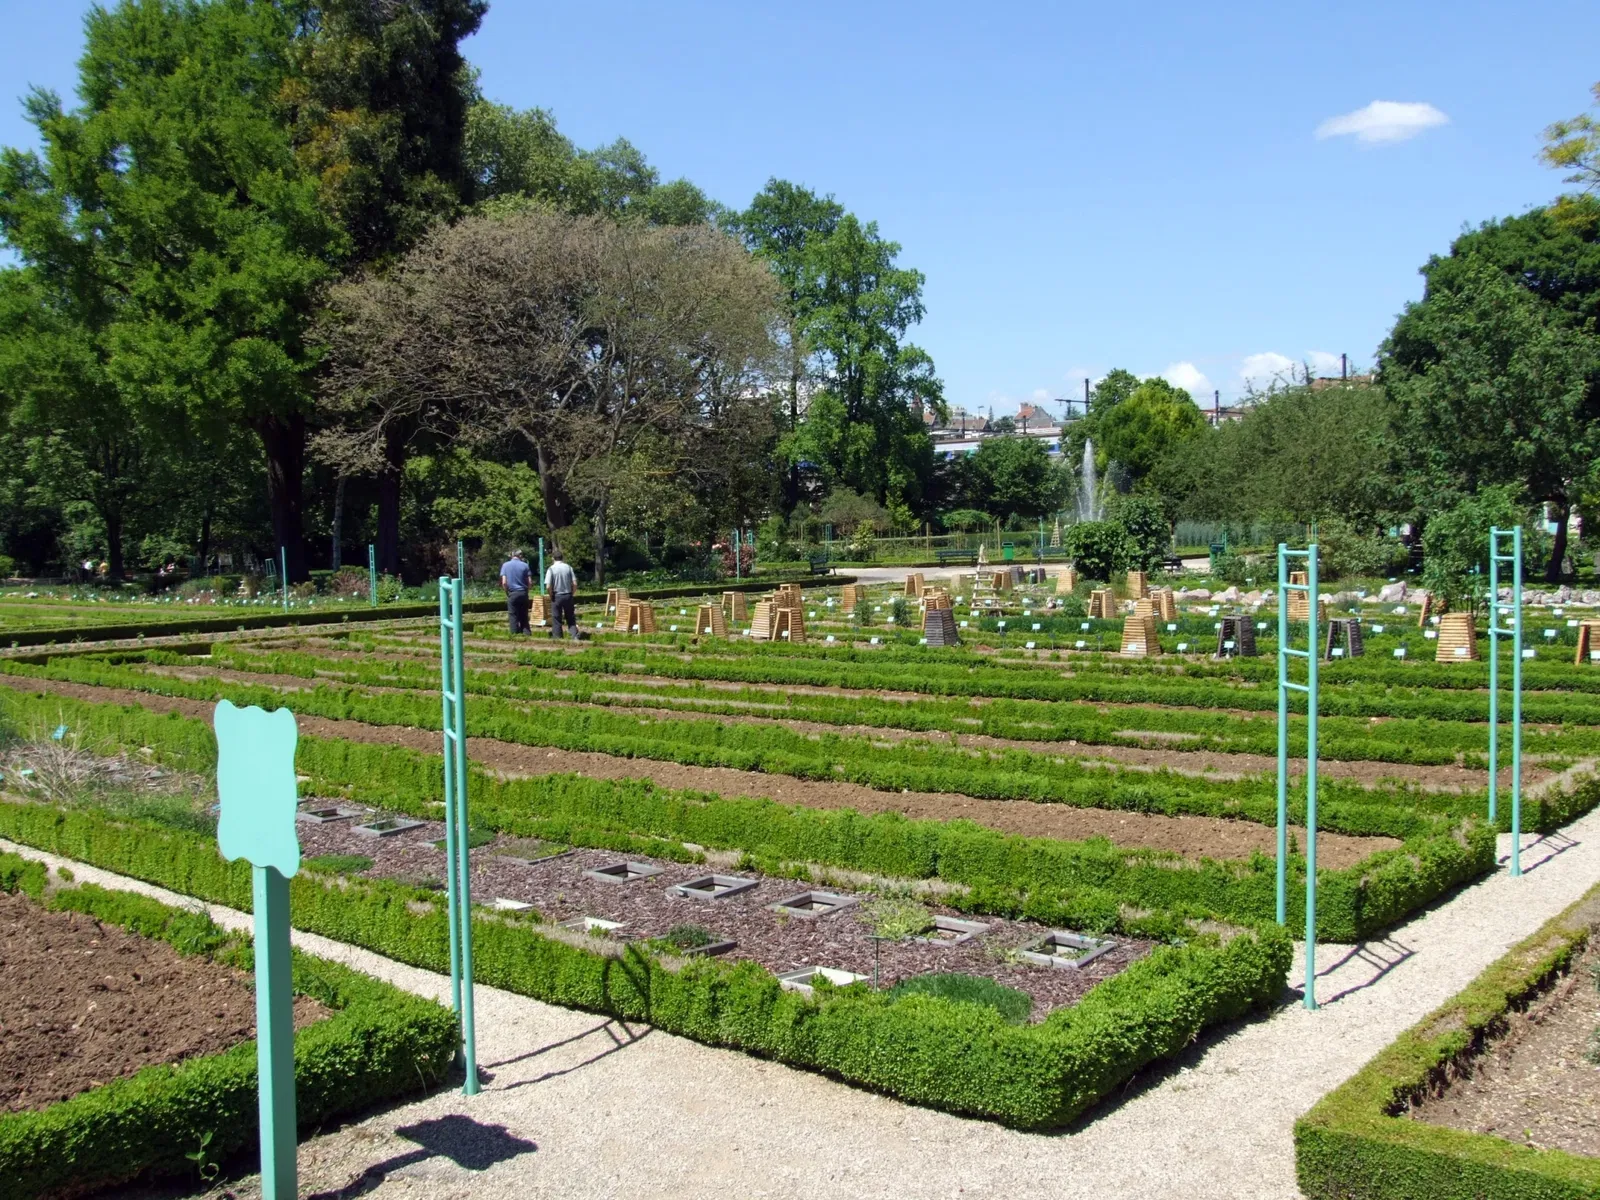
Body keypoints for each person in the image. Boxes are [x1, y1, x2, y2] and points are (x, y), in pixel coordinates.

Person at [544, 549, 579, 640]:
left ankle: (558, 637)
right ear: (562, 558)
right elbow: (575, 584)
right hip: (568, 595)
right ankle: (574, 636)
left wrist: (551, 595)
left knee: (556, 618)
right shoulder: (568, 567)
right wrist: (571, 594)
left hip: (557, 596)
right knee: (570, 617)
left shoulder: (551, 569)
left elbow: (548, 586)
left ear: (553, 558)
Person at [499, 549, 533, 635]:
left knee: (513, 615)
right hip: (523, 593)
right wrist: (526, 591)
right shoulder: (525, 565)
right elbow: (529, 582)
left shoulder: (505, 565)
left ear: (511, 556)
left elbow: (504, 582)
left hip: (512, 593)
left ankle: (514, 634)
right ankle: (526, 633)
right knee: (524, 615)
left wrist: (507, 592)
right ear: (520, 556)